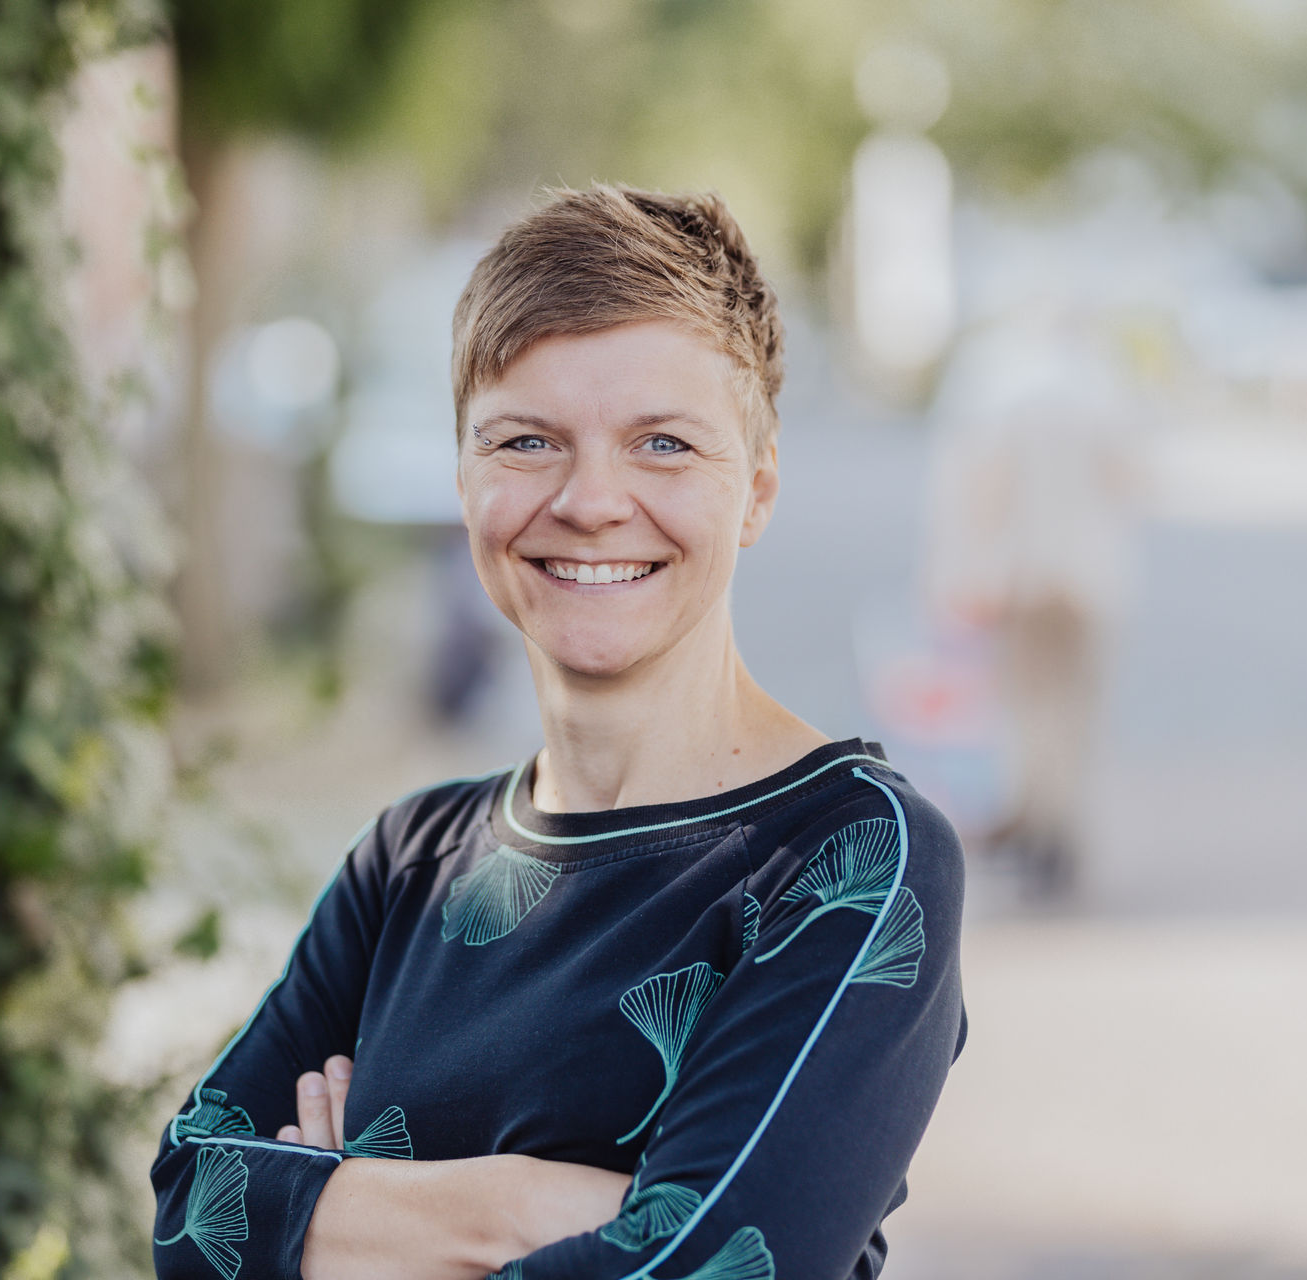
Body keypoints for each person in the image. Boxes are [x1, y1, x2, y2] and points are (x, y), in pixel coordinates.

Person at [150, 186, 968, 1280]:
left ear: (757, 489)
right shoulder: (411, 860)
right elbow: (192, 1211)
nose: (591, 501)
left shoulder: (850, 856)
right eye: (527, 441)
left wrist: (341, 1211)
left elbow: (708, 1262)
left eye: (663, 444)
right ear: (464, 477)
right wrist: (528, 1207)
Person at [922, 308, 1141, 899]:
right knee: (1076, 707)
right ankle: (1060, 824)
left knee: (1026, 706)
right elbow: (1130, 480)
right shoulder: (1102, 389)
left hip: (1020, 577)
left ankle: (1036, 825)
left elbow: (983, 490)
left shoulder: (1001, 390)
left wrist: (963, 572)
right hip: (1090, 578)